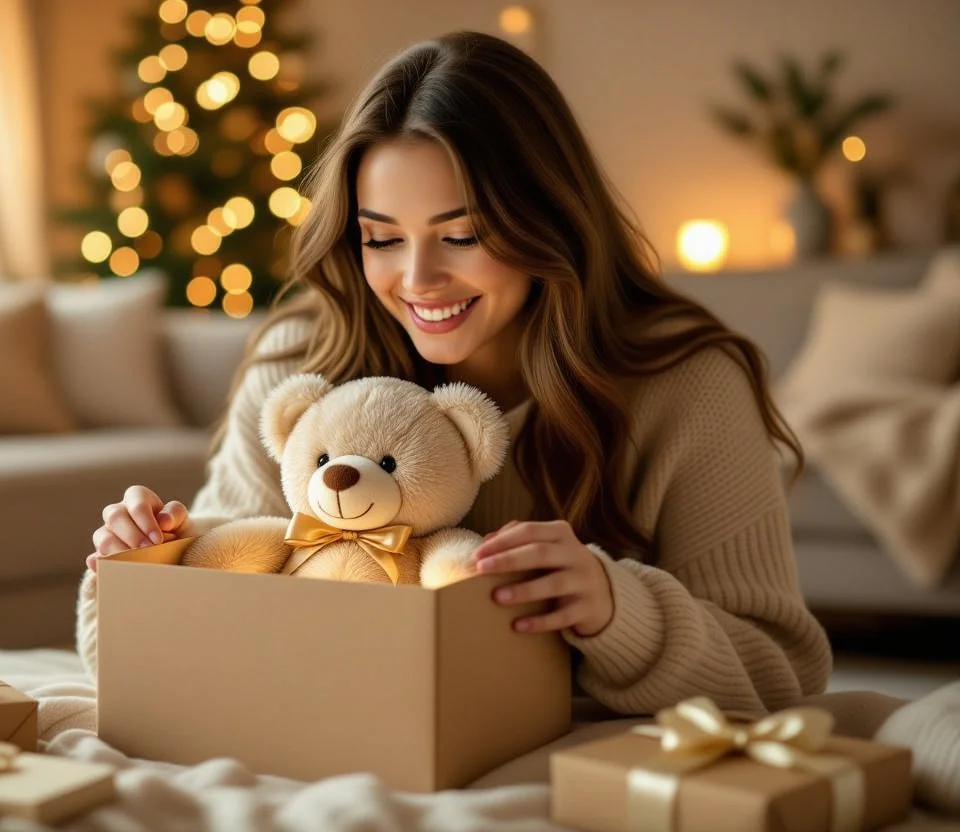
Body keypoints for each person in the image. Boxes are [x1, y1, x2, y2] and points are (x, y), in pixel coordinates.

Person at [80, 31, 958, 811]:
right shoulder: (299, 368)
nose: (417, 278)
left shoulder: (685, 382)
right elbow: (203, 610)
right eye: (381, 237)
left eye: (462, 234)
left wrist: (618, 608)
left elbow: (780, 673)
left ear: (546, 218)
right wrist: (144, 564)